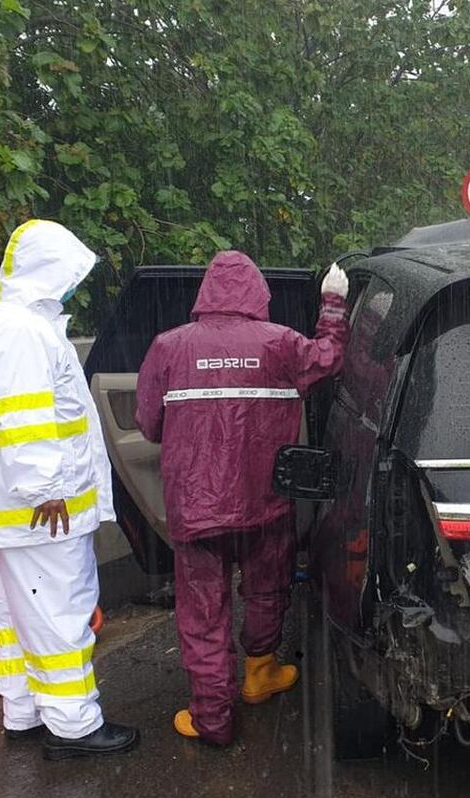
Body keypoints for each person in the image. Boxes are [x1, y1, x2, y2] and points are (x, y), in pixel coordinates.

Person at [135, 251, 350, 746]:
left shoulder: (168, 347)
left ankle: (213, 718)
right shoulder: (280, 344)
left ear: (205, 295)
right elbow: (330, 358)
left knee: (203, 610)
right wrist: (333, 304)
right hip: (264, 500)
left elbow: (148, 425)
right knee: (266, 588)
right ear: (258, 295)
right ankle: (258, 675)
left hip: (196, 506)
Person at [0, 219, 139, 759]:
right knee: (60, 613)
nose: (71, 286)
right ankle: (75, 725)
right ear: (46, 269)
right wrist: (45, 488)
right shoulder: (21, 331)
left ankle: (25, 711)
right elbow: (23, 417)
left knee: (15, 618)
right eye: (67, 274)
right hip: (43, 512)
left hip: (10, 512)